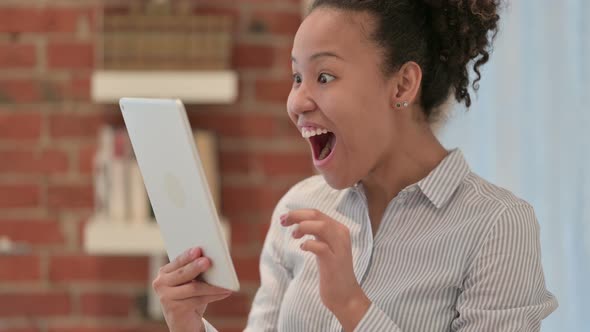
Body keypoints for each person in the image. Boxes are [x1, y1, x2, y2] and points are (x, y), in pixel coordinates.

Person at [152, 0, 558, 331]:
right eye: (297, 77)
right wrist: (189, 324)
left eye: (324, 76)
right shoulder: (297, 209)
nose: (297, 103)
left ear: (401, 85)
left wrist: (352, 306)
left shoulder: (497, 226)